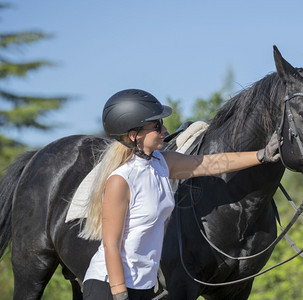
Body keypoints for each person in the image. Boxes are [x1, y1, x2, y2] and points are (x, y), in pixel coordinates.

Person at [81, 88, 280, 300]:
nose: (164, 130)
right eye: (156, 126)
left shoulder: (162, 163)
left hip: (143, 286)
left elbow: (211, 163)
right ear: (134, 135)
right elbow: (111, 244)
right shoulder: (120, 180)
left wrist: (262, 155)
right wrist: (120, 294)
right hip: (109, 285)